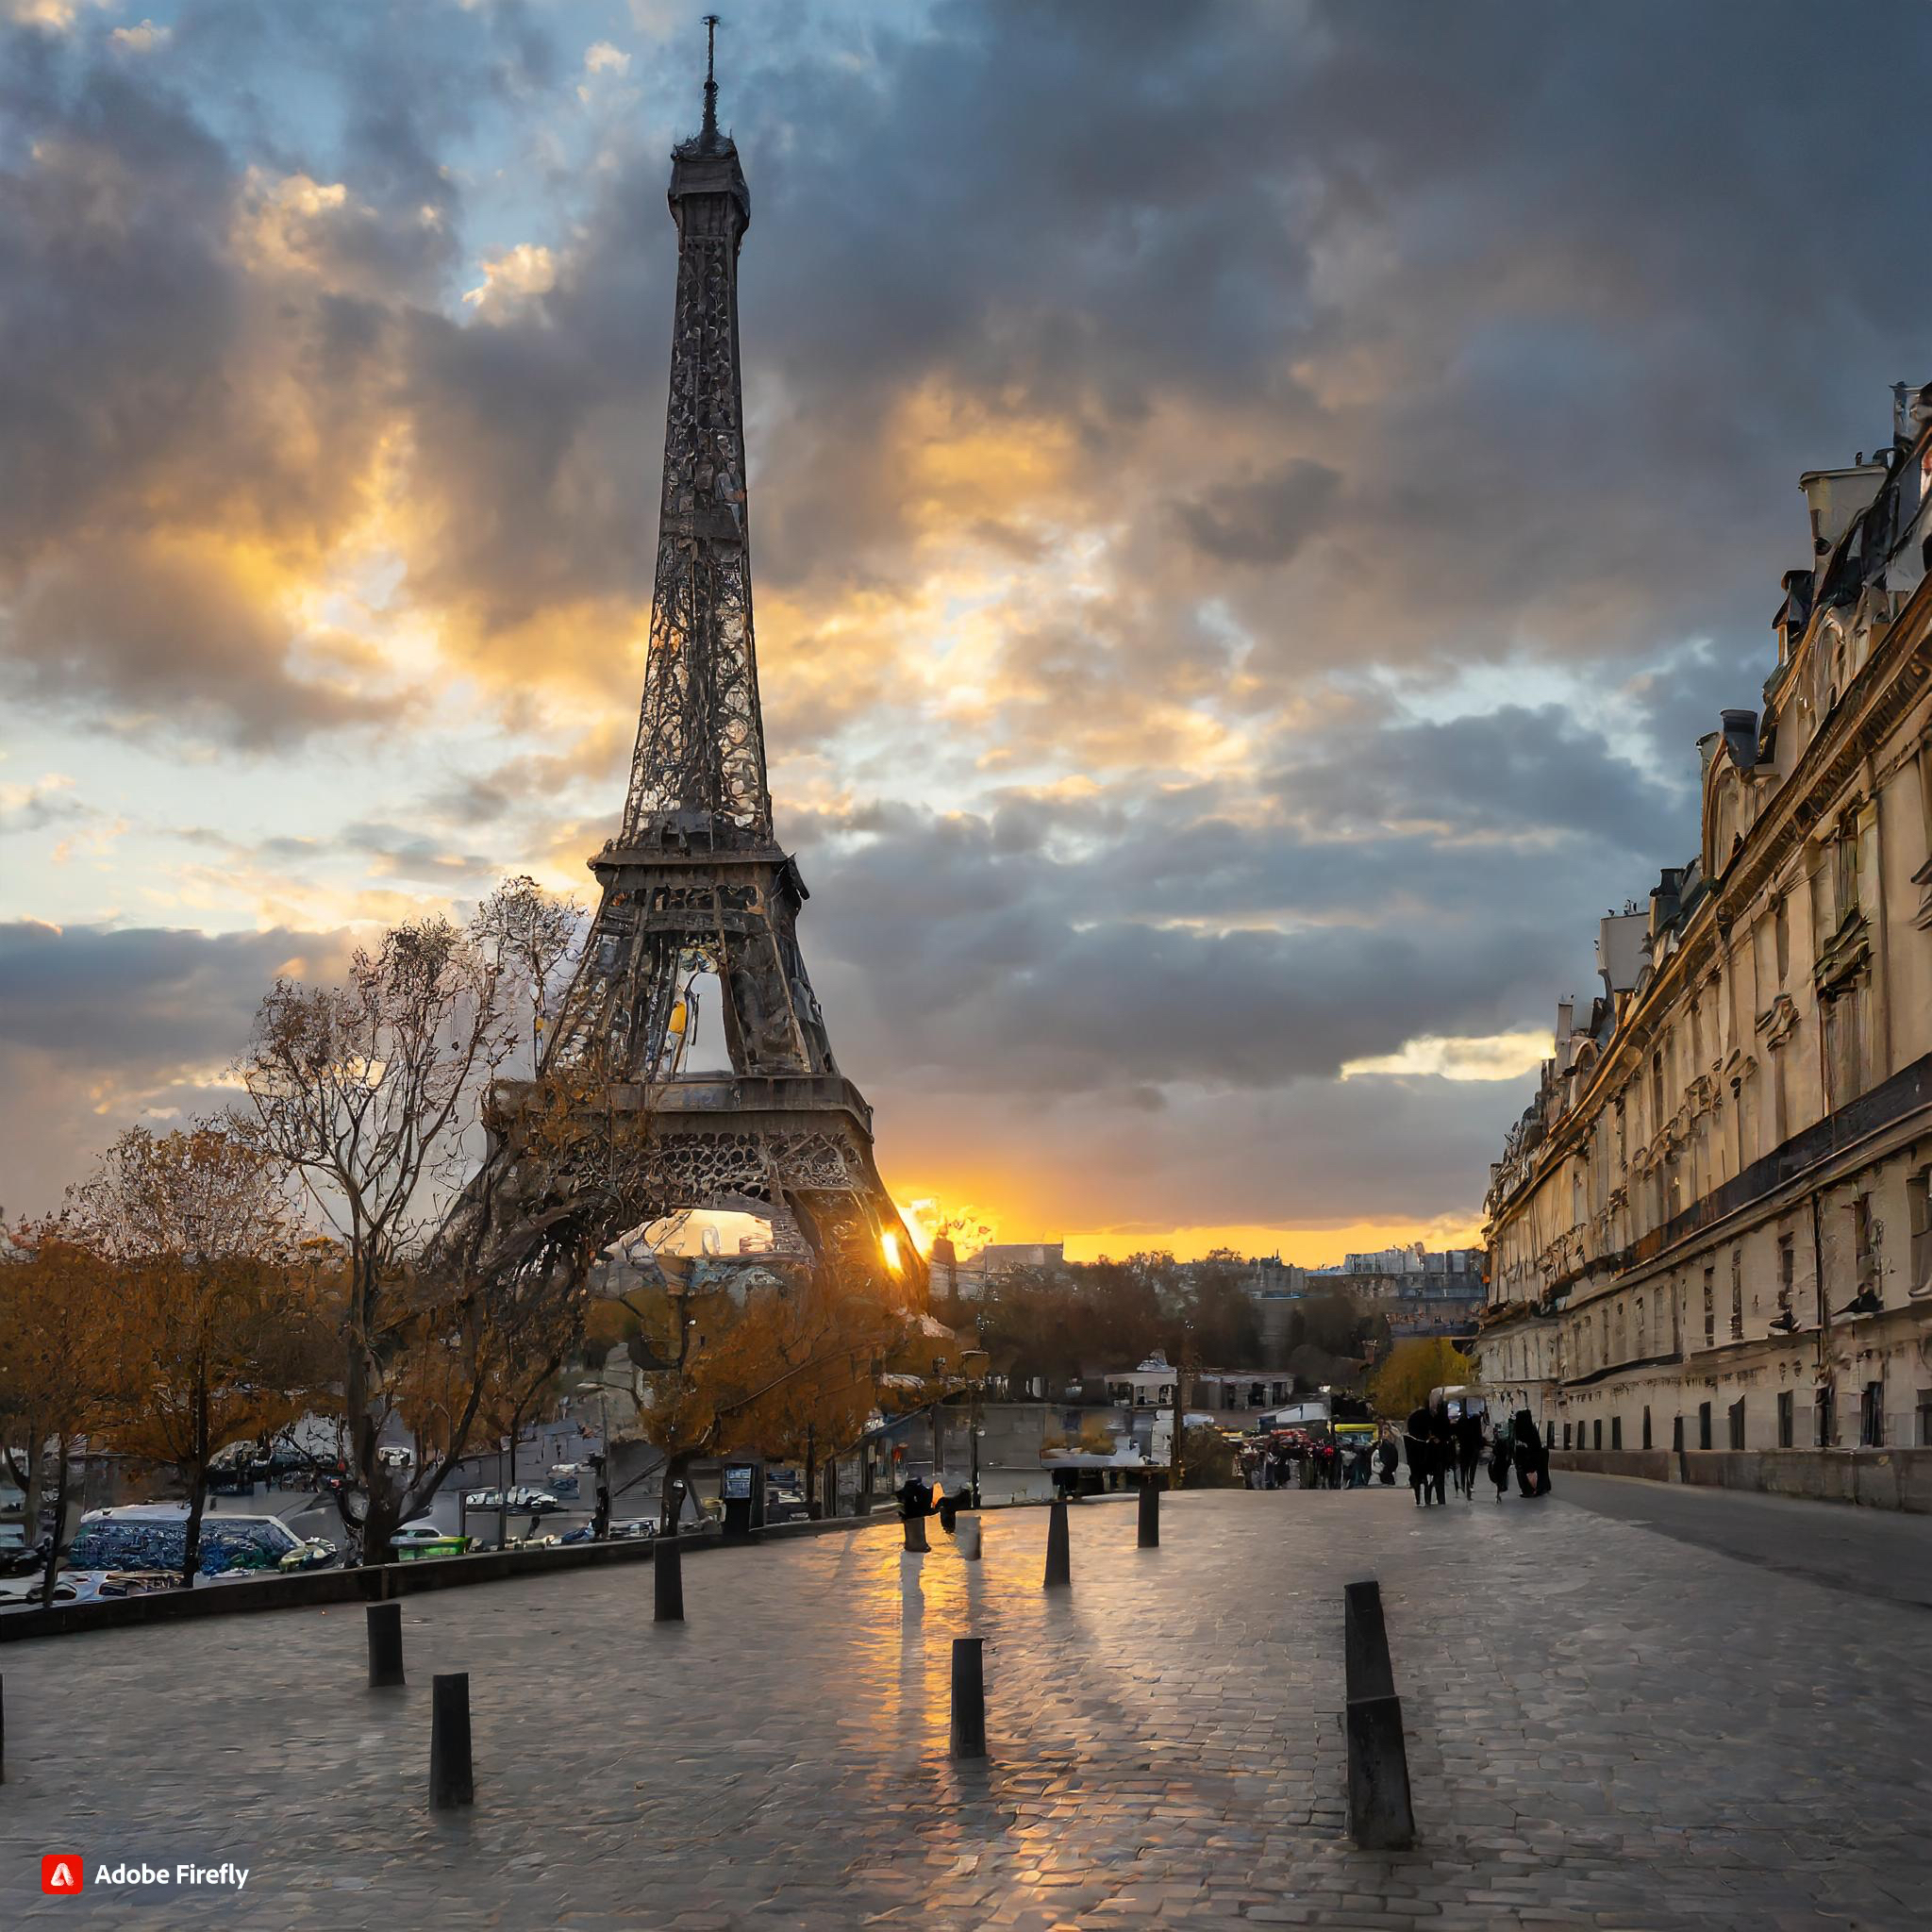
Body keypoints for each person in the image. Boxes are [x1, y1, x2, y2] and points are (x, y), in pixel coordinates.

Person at [1456, 1407, 1484, 1500]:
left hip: (1464, 1447)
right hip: (1473, 1447)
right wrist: (1480, 1446)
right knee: (1472, 1467)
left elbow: (1457, 1433)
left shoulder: (1461, 1420)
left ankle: (1464, 1485)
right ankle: (1470, 1483)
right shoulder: (1476, 1420)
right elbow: (1479, 1434)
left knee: (1464, 1468)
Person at [1487, 1418, 1513, 1501]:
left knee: (1498, 1479)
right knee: (1502, 1478)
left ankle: (1498, 1492)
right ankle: (1499, 1492)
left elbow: (1493, 1454)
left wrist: (1490, 1462)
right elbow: (1508, 1454)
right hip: (1503, 1463)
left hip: (1498, 1463)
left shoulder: (1498, 1444)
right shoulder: (1506, 1444)